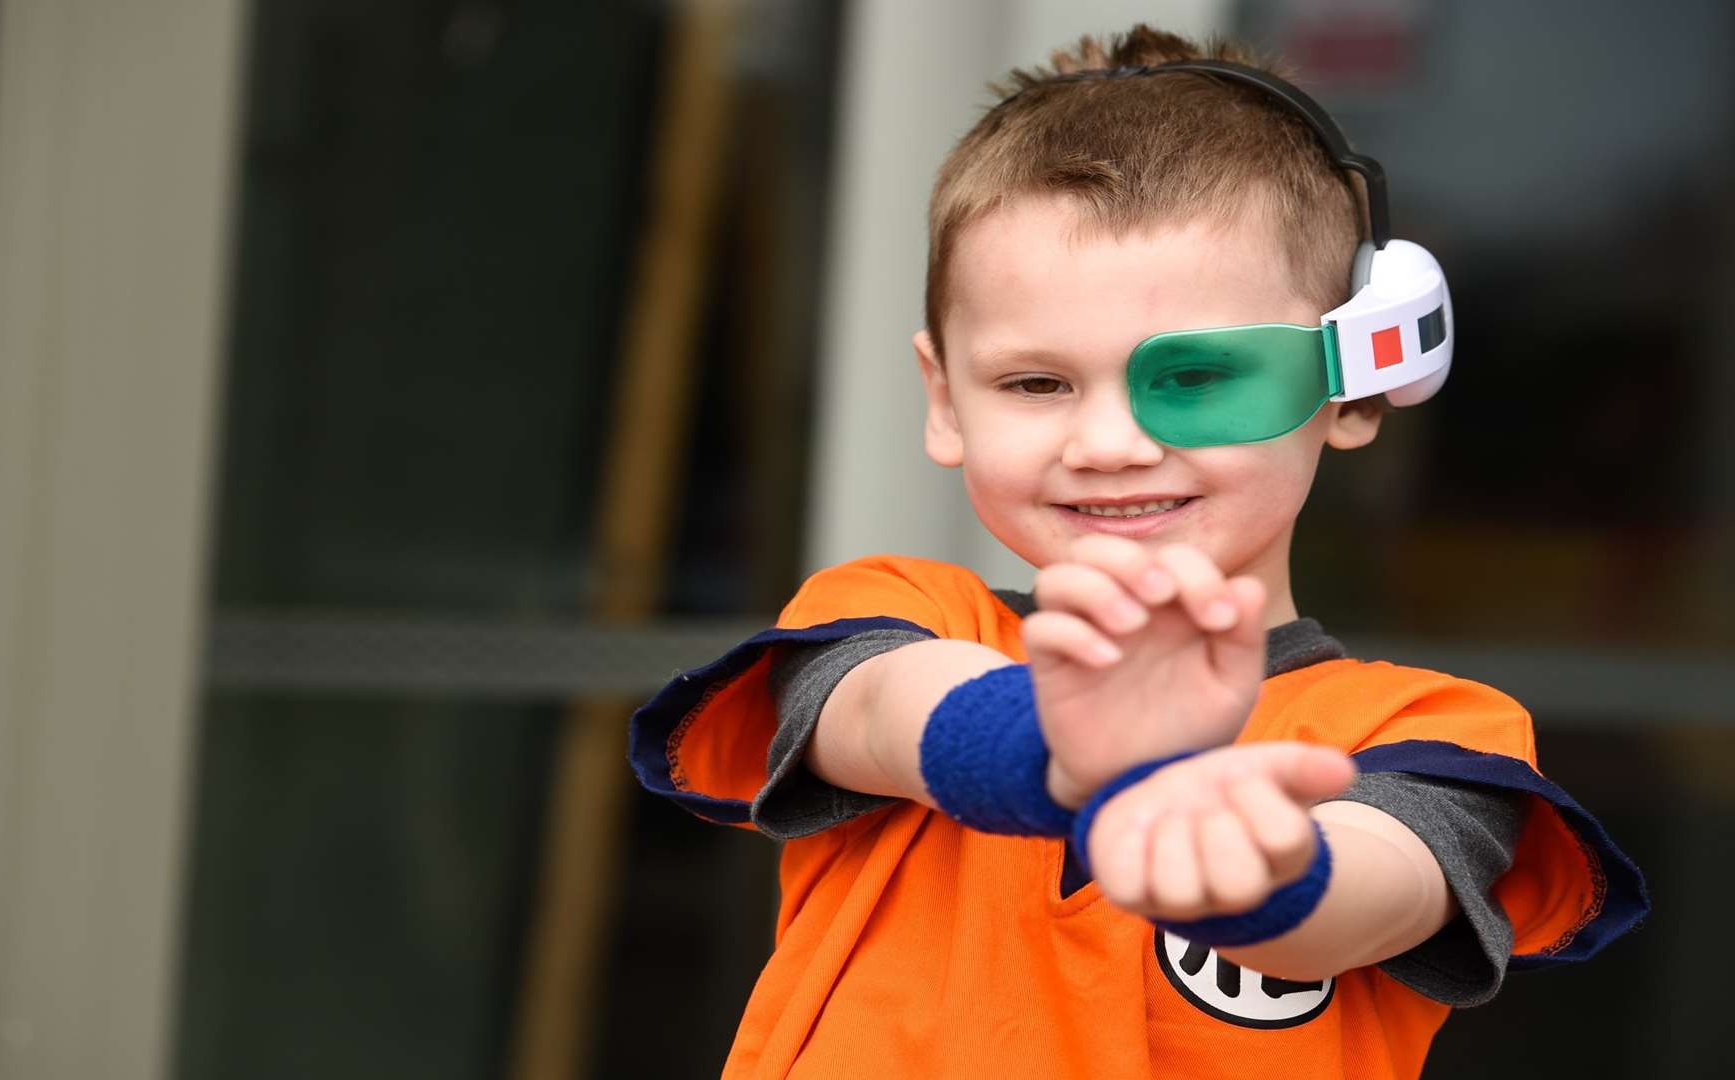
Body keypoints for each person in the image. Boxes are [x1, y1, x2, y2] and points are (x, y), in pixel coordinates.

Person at [628, 25, 1646, 1078]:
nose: (1109, 445)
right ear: (945, 399)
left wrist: (1245, 859)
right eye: (1036, 383)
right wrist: (1059, 753)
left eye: (1199, 381)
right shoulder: (905, 612)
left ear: (1351, 387)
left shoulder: (1425, 731)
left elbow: (1377, 885)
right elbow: (882, 709)